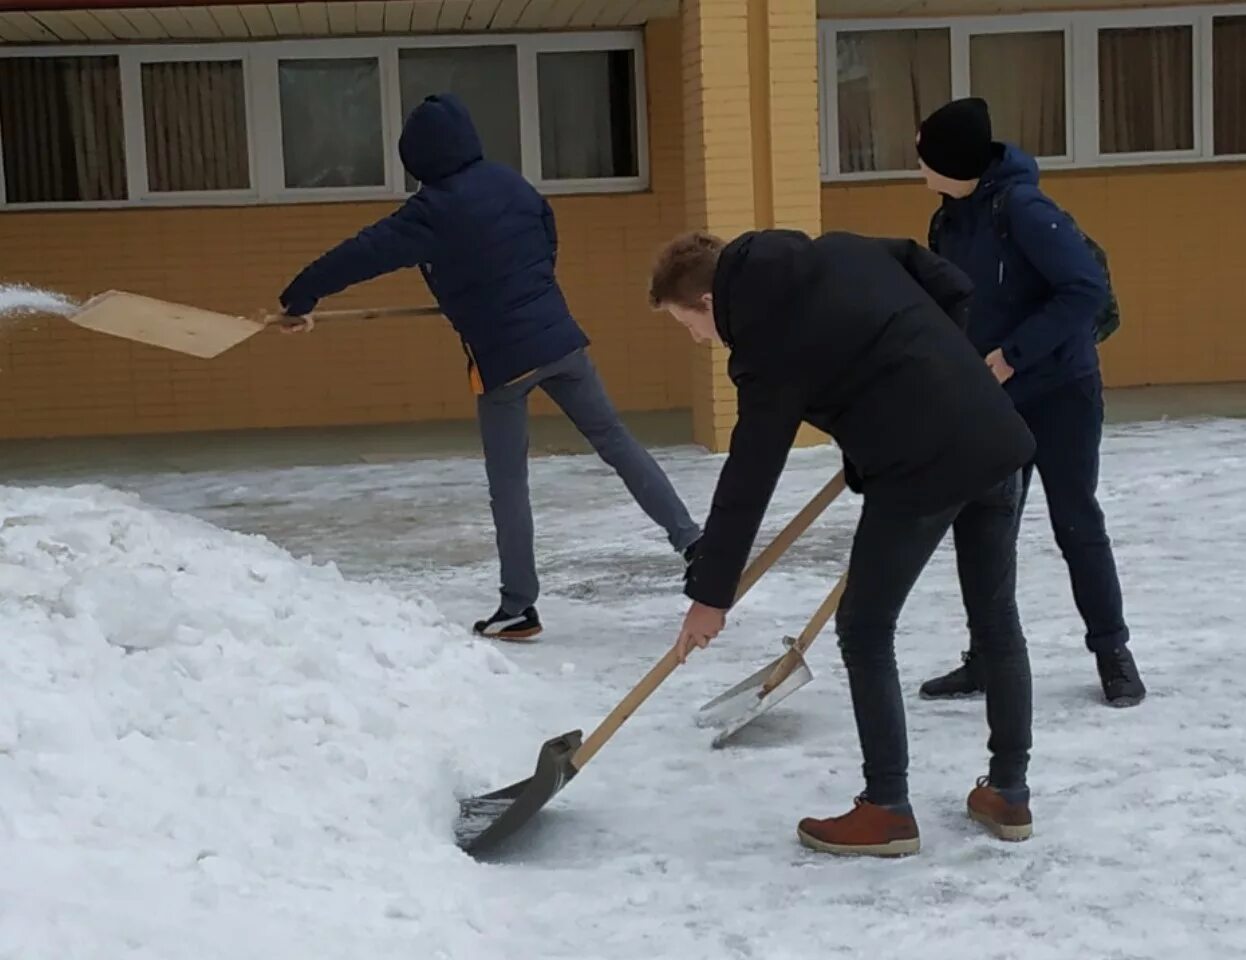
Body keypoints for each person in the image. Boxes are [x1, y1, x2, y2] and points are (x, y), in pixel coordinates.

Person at [650, 228, 1037, 856]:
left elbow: (749, 475)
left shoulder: (765, 345)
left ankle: (886, 808)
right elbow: (950, 283)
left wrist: (710, 596)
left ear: (704, 300)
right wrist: (933, 372)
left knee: (864, 628)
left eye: (687, 325)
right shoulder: (844, 250)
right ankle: (1009, 792)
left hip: (921, 467)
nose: (697, 339)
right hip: (993, 435)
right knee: (995, 616)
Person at [276, 93, 702, 641]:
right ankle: (693, 542)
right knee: (618, 443)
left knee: (509, 483)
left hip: (503, 362)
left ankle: (519, 606)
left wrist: (300, 298)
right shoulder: (512, 184)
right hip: (560, 340)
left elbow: (360, 254)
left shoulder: (431, 210)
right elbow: (547, 240)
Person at [914, 97, 1146, 707]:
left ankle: (1113, 653)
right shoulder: (948, 219)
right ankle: (987, 656)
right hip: (991, 399)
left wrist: (1014, 353)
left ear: (953, 161)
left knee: (1075, 519)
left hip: (1060, 391)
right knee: (987, 529)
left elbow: (1084, 290)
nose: (918, 167)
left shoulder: (1021, 207)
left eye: (926, 156)